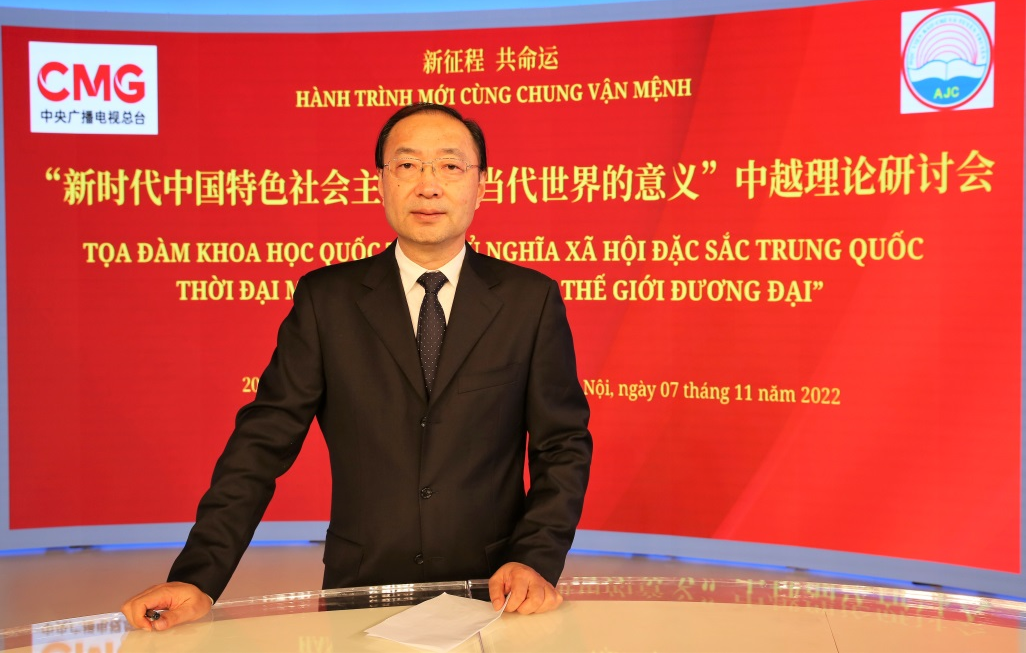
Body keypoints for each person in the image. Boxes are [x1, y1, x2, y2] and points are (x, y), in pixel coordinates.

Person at [121, 102, 593, 631]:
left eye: (450, 166)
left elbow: (562, 445)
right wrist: (198, 576)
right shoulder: (327, 301)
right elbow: (261, 443)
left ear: (480, 186)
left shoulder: (530, 301)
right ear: (381, 184)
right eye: (407, 165)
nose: (428, 186)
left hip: (496, 587)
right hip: (361, 587)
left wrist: (535, 558)